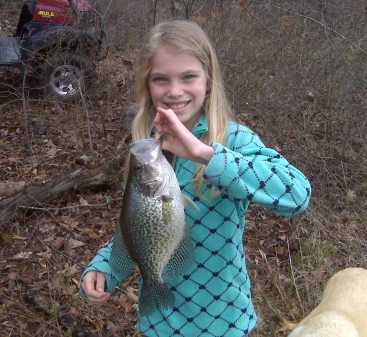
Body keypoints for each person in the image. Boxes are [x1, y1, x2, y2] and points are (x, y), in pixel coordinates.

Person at [80, 19, 311, 337]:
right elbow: (138, 227)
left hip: (223, 322)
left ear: (209, 80)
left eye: (188, 76)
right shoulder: (145, 148)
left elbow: (296, 194)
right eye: (161, 79)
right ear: (148, 85)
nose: (175, 91)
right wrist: (106, 266)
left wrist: (206, 155)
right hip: (159, 322)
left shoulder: (233, 141)